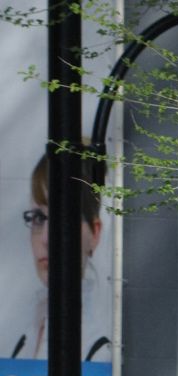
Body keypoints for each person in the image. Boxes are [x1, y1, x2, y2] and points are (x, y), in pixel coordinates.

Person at [12, 149, 109, 362]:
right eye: (38, 217)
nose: (46, 238)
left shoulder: (103, 349)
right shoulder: (26, 340)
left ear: (95, 233)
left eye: (63, 218)